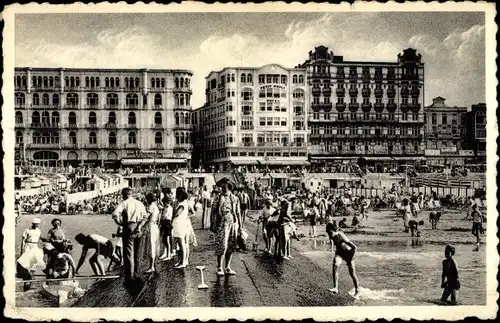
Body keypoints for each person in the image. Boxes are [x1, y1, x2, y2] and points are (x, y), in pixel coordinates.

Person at [112, 187, 147, 285]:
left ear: (123, 195)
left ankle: (129, 278)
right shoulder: (139, 203)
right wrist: (139, 227)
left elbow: (115, 214)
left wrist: (119, 222)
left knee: (128, 254)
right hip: (139, 227)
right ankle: (136, 274)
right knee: (137, 253)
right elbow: (145, 217)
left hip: (129, 227)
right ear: (131, 194)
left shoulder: (124, 203)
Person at [213, 183, 242, 276]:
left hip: (233, 222)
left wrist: (240, 225)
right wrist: (212, 224)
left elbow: (238, 212)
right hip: (222, 222)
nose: (223, 189)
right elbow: (213, 212)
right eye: (222, 187)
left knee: (231, 244)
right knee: (222, 244)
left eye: (225, 188)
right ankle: (219, 267)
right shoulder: (218, 198)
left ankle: (228, 267)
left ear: (229, 188)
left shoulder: (235, 198)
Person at [326, 222, 360, 298]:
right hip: (340, 253)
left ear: (333, 230)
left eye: (330, 232)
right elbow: (335, 244)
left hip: (349, 254)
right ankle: (335, 288)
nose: (329, 235)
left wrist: (350, 258)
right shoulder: (332, 236)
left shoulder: (340, 235)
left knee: (352, 273)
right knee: (335, 265)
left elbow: (354, 247)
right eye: (328, 233)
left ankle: (357, 290)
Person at [17, 218, 45, 291]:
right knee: (26, 263)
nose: (36, 225)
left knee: (33, 263)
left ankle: (30, 280)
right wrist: (22, 250)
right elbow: (23, 241)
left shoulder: (39, 231)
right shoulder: (27, 230)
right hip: (28, 246)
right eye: (35, 224)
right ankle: (26, 280)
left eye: (37, 224)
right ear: (32, 224)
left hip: (35, 246)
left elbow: (40, 238)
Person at [172, 187, 190, 269]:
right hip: (179, 224)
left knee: (181, 243)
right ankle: (180, 261)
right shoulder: (182, 202)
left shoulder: (182, 204)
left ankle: (183, 261)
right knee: (180, 243)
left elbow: (176, 213)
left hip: (180, 224)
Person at [145, 193, 161, 273]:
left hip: (151, 225)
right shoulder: (156, 206)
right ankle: (153, 265)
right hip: (155, 226)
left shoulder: (151, 206)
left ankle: (151, 266)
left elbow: (146, 217)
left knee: (151, 245)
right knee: (154, 244)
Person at [159, 192, 174, 261]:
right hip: (166, 223)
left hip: (167, 223)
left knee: (167, 240)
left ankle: (168, 255)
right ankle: (166, 253)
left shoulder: (167, 208)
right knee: (164, 239)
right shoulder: (168, 207)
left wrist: (160, 218)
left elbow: (164, 216)